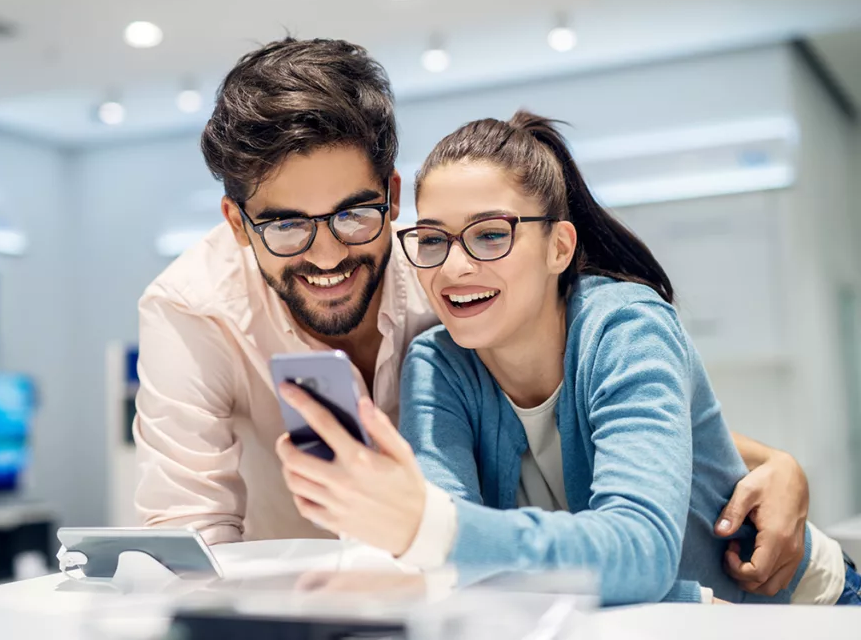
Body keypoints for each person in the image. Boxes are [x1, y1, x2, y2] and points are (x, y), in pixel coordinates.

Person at [134, 36, 812, 596]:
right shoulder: (200, 311)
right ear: (238, 224)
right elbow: (186, 538)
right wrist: (432, 540)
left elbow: (617, 419)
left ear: (390, 199)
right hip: (312, 592)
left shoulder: (444, 275)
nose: (329, 253)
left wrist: (773, 460)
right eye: (286, 225)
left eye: (354, 213)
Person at [274, 110, 861, 605]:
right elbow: (455, 572)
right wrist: (423, 545)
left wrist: (432, 530)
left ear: (558, 247)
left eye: (490, 234)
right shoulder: (436, 362)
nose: (453, 267)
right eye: (432, 239)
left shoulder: (626, 328)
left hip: (799, 611)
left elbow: (641, 552)